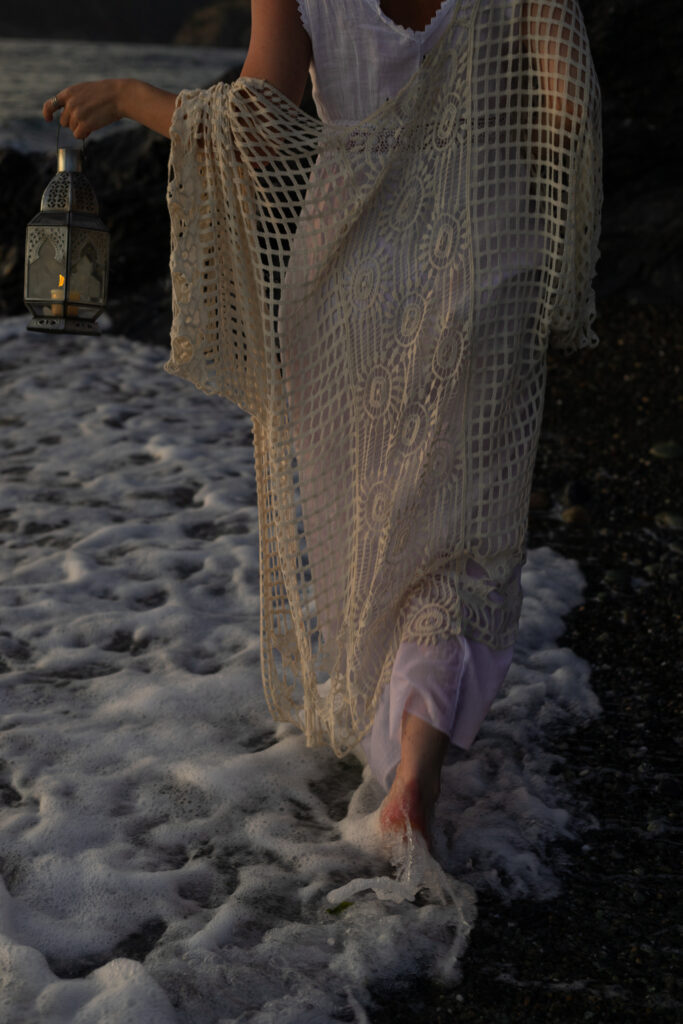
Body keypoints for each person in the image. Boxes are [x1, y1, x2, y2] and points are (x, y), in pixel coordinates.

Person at [44, 0, 601, 848]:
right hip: (486, 263)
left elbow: (258, 133)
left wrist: (128, 94)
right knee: (462, 540)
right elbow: (561, 114)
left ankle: (397, 750)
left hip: (349, 281)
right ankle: (417, 767)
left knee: (378, 531)